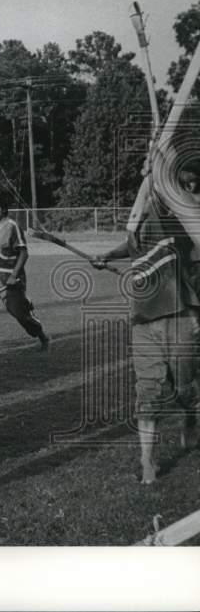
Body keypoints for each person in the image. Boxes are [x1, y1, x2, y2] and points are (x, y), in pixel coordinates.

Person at [91, 194, 199, 483]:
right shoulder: (145, 217)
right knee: (148, 391)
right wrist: (108, 256)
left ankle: (191, 417)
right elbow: (135, 242)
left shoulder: (188, 219)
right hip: (143, 318)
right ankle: (147, 460)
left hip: (181, 316)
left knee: (185, 387)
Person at [0, 195, 50, 354]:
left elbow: (24, 253)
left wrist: (14, 276)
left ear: (4, 209)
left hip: (10, 280)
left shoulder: (12, 226)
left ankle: (42, 337)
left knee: (20, 314)